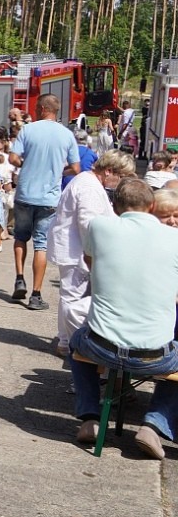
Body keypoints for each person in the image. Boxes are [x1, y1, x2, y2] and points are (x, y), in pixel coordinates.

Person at [69, 179, 178, 457]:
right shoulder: (174, 239)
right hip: (154, 356)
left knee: (75, 340)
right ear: (152, 206)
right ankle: (154, 424)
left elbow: (91, 264)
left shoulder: (100, 226)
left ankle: (90, 417)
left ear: (115, 208)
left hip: (101, 346)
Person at [47, 150, 136, 356]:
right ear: (109, 171)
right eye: (121, 177)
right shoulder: (89, 187)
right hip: (77, 251)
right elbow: (89, 225)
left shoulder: (87, 182)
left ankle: (66, 339)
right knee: (73, 298)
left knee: (70, 296)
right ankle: (70, 342)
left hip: (76, 248)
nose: (120, 182)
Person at [8, 94, 80, 311]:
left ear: (40, 108)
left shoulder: (28, 130)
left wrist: (25, 164)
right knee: (41, 244)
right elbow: (76, 169)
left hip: (25, 193)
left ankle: (20, 278)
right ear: (56, 110)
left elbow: (12, 158)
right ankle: (36, 295)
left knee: (20, 237)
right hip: (49, 197)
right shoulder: (67, 135)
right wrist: (59, 170)